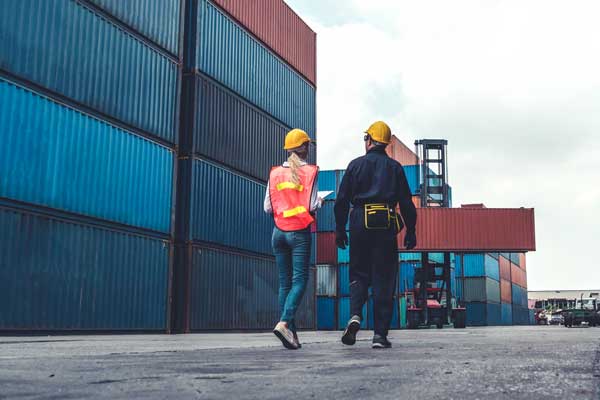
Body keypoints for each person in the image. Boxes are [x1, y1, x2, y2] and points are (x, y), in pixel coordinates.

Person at [334, 121, 417, 349]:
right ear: (386, 144)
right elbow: (407, 203)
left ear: (369, 140)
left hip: (360, 221)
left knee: (359, 273)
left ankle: (354, 315)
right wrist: (411, 230)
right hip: (385, 224)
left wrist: (340, 229)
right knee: (384, 278)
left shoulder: (355, 165)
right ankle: (380, 335)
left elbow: (341, 201)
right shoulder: (395, 167)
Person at [264, 128, 321, 350]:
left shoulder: (275, 173)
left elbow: (267, 207)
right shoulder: (310, 172)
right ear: (305, 147)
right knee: (299, 281)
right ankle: (285, 322)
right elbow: (312, 204)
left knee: (285, 284)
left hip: (278, 232)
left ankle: (292, 336)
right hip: (299, 232)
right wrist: (321, 203)